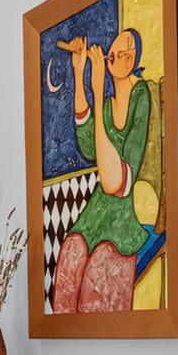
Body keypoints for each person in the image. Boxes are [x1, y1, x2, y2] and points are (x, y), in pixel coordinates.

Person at [53, 27, 154, 312]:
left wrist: (97, 91)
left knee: (99, 271)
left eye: (128, 49)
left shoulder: (140, 95)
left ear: (133, 61)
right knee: (70, 253)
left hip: (121, 217)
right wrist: (79, 73)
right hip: (96, 213)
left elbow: (115, 184)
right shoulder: (108, 107)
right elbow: (88, 145)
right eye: (117, 48)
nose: (119, 53)